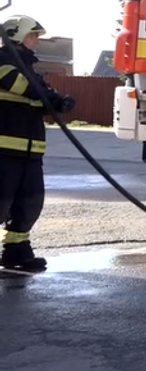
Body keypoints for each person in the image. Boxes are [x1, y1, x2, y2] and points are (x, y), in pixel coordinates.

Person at [0, 15, 75, 272]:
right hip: (4, 150)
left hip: (31, 151)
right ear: (17, 36)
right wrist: (48, 97)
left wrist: (57, 101)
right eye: (33, 36)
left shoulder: (29, 67)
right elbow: (20, 85)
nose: (37, 42)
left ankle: (15, 251)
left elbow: (40, 92)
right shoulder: (4, 61)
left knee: (30, 203)